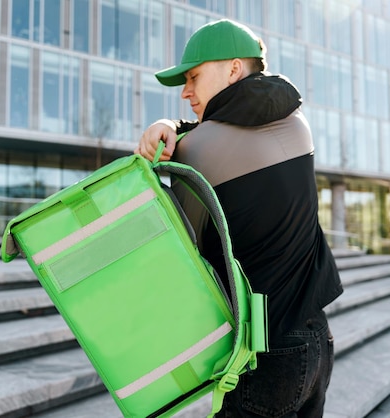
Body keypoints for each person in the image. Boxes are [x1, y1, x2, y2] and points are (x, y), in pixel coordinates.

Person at [135, 19, 343, 417]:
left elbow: (186, 256)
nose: (186, 92)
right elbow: (236, 123)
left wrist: (173, 134)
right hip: (316, 337)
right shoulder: (297, 122)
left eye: (193, 76)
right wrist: (178, 128)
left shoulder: (195, 152)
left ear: (233, 69)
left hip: (263, 353)